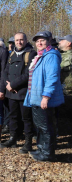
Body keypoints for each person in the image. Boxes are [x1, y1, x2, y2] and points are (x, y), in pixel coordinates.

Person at [24, 31, 64, 162]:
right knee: (40, 126)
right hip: (36, 98)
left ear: (49, 41)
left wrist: (46, 97)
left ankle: (48, 154)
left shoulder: (51, 56)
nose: (39, 43)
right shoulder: (40, 56)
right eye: (37, 41)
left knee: (46, 127)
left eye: (42, 40)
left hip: (43, 98)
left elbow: (52, 78)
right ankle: (41, 149)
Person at [0, 32, 36, 153]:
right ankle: (13, 138)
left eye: (21, 40)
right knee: (13, 117)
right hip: (11, 93)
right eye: (17, 40)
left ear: (26, 40)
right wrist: (7, 85)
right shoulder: (12, 54)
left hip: (24, 93)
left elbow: (28, 74)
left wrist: (13, 85)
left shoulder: (31, 54)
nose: (19, 42)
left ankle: (28, 142)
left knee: (26, 118)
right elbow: (5, 71)